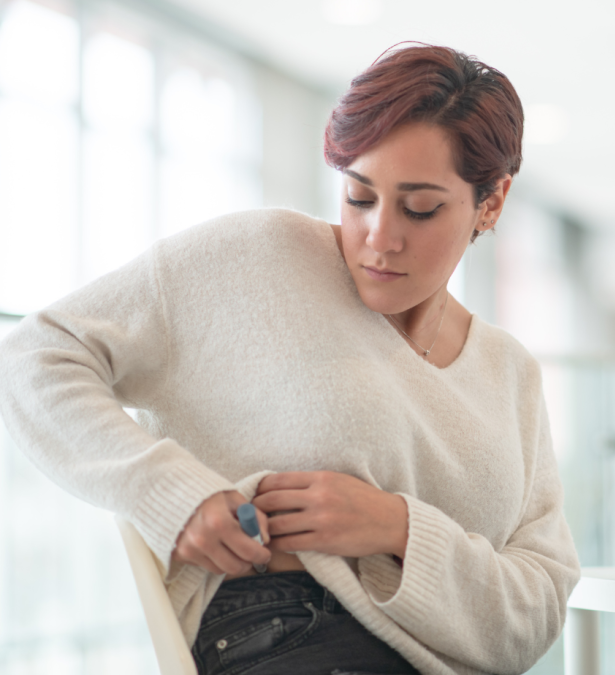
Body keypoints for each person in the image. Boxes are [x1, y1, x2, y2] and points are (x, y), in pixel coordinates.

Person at [0, 44, 580, 675]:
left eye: (420, 208)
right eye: (360, 196)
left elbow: (539, 606)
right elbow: (35, 356)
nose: (379, 237)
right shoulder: (259, 257)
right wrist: (171, 492)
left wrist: (400, 529)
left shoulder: (510, 373)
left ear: (490, 203)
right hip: (284, 627)